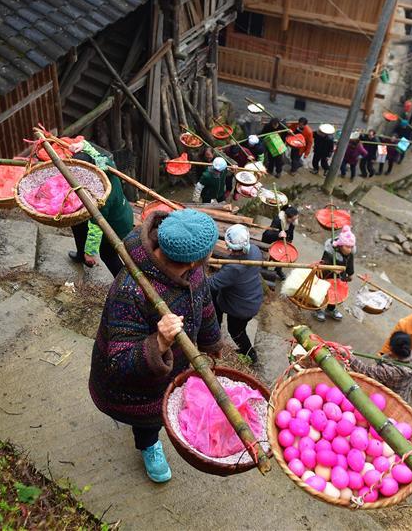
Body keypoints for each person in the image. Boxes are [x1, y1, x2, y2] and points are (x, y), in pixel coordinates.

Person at [88, 209, 222, 483]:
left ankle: (149, 435)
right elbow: (119, 361)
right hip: (138, 383)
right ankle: (149, 445)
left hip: (176, 365)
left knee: (164, 405)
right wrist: (159, 342)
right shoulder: (130, 290)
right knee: (148, 420)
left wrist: (211, 340)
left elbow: (203, 300)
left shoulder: (193, 270)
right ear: (195, 259)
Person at [68, 140, 133, 277]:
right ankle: (80, 254)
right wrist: (84, 145)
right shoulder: (105, 164)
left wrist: (90, 252)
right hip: (120, 210)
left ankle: (122, 282)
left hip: (116, 224)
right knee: (78, 223)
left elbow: (96, 225)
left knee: (108, 254)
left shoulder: (101, 195)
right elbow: (96, 154)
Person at [209, 224, 263, 364]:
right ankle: (216, 326)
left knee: (236, 331)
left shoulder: (233, 268)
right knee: (215, 299)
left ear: (229, 246)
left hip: (242, 308)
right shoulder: (255, 250)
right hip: (252, 295)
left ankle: (250, 354)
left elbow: (211, 284)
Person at [348, 332, 412, 400]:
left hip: (391, 397)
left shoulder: (392, 371)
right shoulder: (411, 354)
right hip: (403, 391)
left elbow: (366, 371)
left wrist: (348, 355)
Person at [314, 225, 355, 322]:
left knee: (335, 293)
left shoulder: (350, 254)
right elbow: (323, 265)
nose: (349, 249)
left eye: (351, 247)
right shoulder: (330, 252)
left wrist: (350, 274)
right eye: (347, 247)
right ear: (340, 245)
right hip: (327, 276)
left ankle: (330, 309)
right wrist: (332, 269)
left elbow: (350, 265)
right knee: (322, 293)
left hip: (339, 277)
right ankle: (317, 309)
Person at [262, 205, 298, 280]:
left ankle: (278, 270)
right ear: (287, 217)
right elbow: (268, 233)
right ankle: (264, 269)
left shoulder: (292, 221)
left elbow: (291, 232)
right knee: (267, 257)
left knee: (283, 256)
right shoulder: (278, 220)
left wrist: (289, 240)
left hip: (281, 242)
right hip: (270, 241)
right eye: (293, 219)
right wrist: (278, 234)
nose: (295, 221)